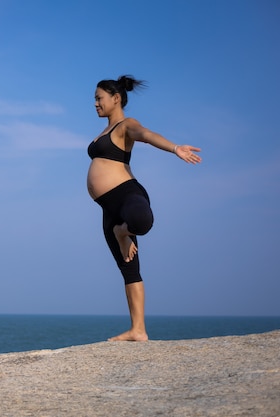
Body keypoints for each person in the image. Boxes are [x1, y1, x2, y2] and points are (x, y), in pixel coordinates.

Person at [87, 75, 201, 341]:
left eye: (98, 98)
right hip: (108, 208)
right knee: (129, 268)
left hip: (127, 195)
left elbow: (147, 135)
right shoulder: (103, 132)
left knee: (143, 220)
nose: (95, 103)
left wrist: (175, 148)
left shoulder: (126, 125)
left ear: (115, 98)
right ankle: (138, 329)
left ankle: (123, 231)